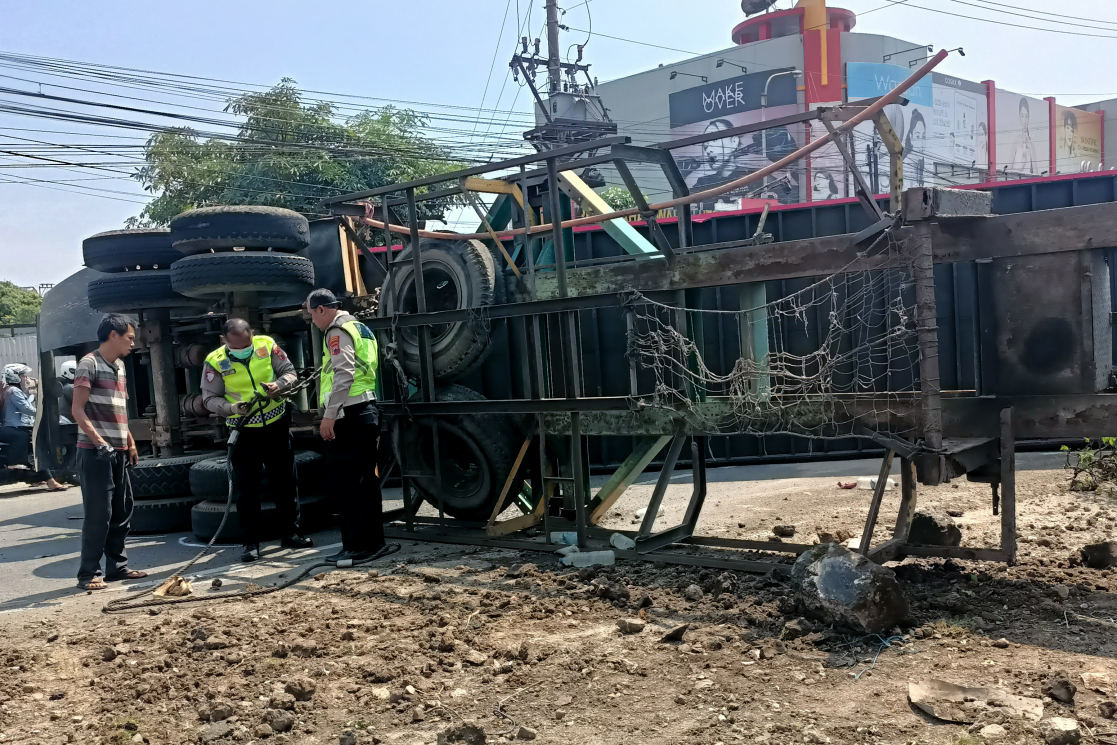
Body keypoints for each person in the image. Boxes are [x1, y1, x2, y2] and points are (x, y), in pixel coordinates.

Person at [200, 318, 312, 562]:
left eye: (247, 344)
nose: (245, 349)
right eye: (239, 347)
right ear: (224, 341)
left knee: (285, 481)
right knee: (247, 490)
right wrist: (231, 407)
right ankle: (250, 543)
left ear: (252, 334)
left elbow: (290, 372)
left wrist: (278, 385)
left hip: (276, 424)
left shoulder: (267, 345)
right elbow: (209, 399)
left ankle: (291, 533)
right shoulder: (215, 361)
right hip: (243, 431)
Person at [304, 288, 384, 564]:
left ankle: (355, 546)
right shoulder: (361, 328)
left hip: (349, 414)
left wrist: (330, 415)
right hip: (365, 411)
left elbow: (344, 372)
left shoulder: (336, 332)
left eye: (311, 313)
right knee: (366, 481)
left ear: (322, 309)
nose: (312, 319)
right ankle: (373, 543)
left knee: (346, 483)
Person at [71, 314, 146, 591]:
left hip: (119, 450)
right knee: (98, 514)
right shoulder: (88, 364)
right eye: (129, 338)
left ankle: (118, 567)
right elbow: (77, 410)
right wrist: (100, 442)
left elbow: (120, 409)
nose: (133, 343)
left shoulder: (121, 366)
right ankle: (88, 573)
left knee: (121, 511)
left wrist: (130, 442)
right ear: (113, 335)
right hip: (95, 452)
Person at [0, 364, 64, 490]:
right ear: (15, 377)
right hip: (16, 428)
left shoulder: (12, 390)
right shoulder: (13, 391)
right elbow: (25, 408)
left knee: (34, 448)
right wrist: (42, 412)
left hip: (18, 427)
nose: (26, 378)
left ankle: (36, 478)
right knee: (38, 449)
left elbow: (26, 405)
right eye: (23, 375)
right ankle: (17, 464)